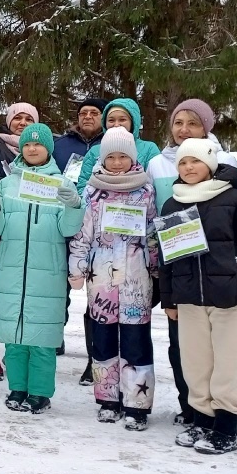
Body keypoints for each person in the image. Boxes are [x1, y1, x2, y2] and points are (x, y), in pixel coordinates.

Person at [161, 139, 237, 454]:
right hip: (189, 299)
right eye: (183, 162)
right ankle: (202, 419)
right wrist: (170, 299)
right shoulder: (173, 203)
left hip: (231, 296)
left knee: (229, 364)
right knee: (196, 364)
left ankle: (226, 427)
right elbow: (168, 258)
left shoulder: (234, 201)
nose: (188, 168)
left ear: (210, 165)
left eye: (195, 162)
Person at [146, 98, 237, 425]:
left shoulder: (224, 160)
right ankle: (192, 408)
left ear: (206, 127)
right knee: (182, 345)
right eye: (178, 123)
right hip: (178, 260)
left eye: (192, 123)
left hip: (217, 266)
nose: (183, 129)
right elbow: (152, 210)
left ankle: (218, 410)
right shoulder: (158, 164)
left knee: (218, 348)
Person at [0, 124, 83, 413]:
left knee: (41, 338)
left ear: (48, 149)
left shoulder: (62, 184)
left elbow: (67, 228)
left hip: (46, 272)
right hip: (12, 269)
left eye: (38, 145)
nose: (32, 149)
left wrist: (75, 206)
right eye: (27, 145)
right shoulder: (7, 183)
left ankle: (40, 393)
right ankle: (17, 388)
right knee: (15, 336)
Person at [68, 127, 160, 430]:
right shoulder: (93, 191)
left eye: (123, 156)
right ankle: (107, 399)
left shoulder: (145, 189)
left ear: (132, 158)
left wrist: (157, 266)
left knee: (136, 342)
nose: (117, 162)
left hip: (135, 279)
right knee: (103, 340)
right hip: (101, 278)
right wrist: (78, 266)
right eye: (112, 157)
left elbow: (152, 232)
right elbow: (84, 232)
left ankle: (136, 404)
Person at [0, 101, 40, 380]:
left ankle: (20, 345)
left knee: (24, 294)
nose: (22, 122)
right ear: (9, 121)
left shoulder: (45, 159)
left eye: (28, 118)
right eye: (18, 118)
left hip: (30, 238)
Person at [76, 98, 160, 189]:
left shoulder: (149, 149)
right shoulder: (95, 151)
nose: (116, 124)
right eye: (111, 120)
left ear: (133, 122)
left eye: (122, 120)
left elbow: (156, 185)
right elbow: (83, 186)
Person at [51, 98, 107, 176]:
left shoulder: (111, 145)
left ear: (104, 118)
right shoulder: (57, 145)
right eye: (83, 113)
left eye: (94, 113)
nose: (87, 117)